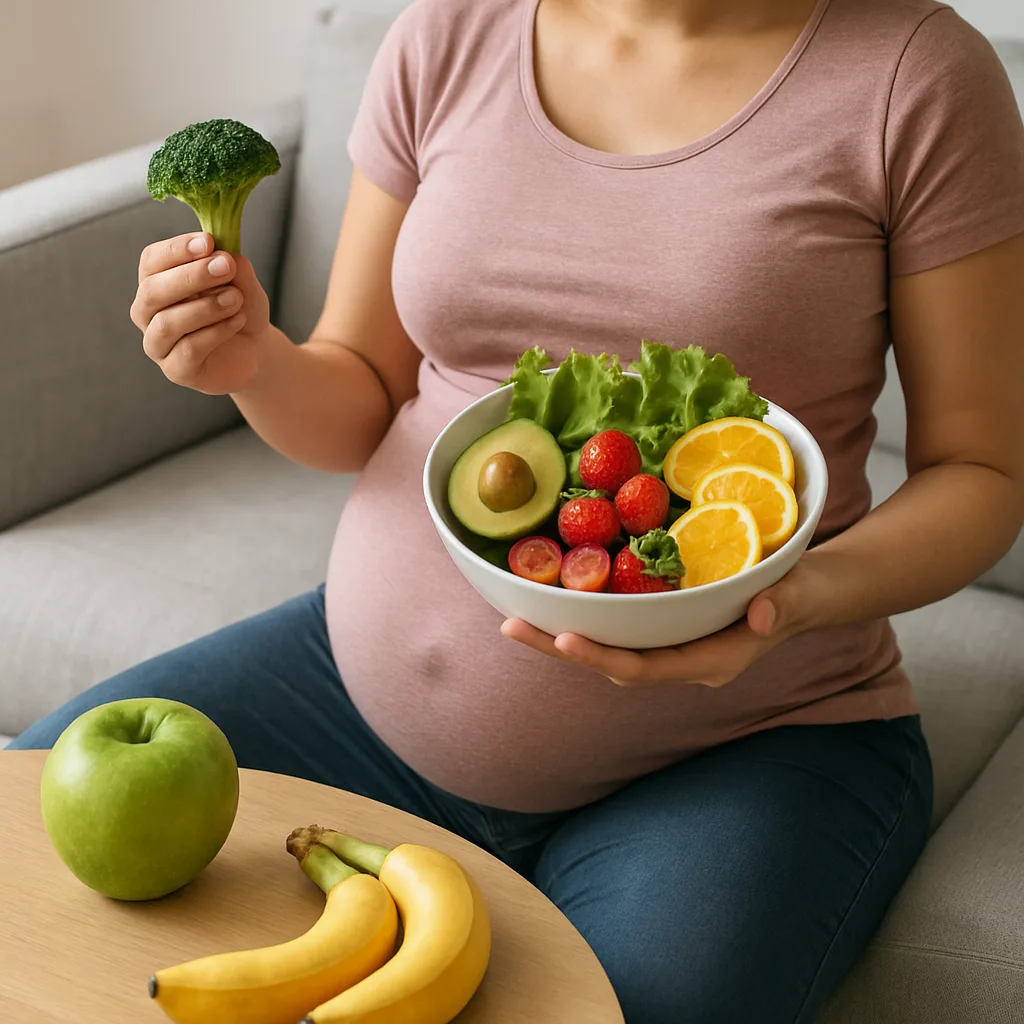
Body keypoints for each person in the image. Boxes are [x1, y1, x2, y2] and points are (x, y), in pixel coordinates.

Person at [12, 0, 1024, 1019]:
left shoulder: (916, 77)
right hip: (356, 699)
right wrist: (252, 364)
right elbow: (362, 389)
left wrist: (785, 603)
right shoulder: (447, 34)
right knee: (30, 837)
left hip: (749, 742)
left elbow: (982, 472)